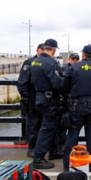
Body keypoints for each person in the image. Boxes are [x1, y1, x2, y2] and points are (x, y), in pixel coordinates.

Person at [63, 45, 91, 172]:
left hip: (77, 105)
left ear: (83, 55)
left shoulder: (74, 67)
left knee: (73, 133)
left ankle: (68, 163)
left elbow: (65, 85)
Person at [30, 38, 64, 169]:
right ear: (54, 50)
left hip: (39, 97)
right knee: (48, 127)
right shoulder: (51, 63)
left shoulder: (35, 62)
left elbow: (33, 81)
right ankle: (38, 158)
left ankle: (53, 152)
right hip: (49, 99)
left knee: (48, 126)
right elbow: (57, 83)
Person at [17, 43, 44, 156]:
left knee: (45, 124)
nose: (43, 51)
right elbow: (22, 82)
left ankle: (41, 147)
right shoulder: (29, 63)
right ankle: (31, 148)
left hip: (43, 98)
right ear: (37, 50)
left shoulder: (48, 62)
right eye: (41, 49)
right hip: (32, 98)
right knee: (33, 124)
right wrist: (25, 97)